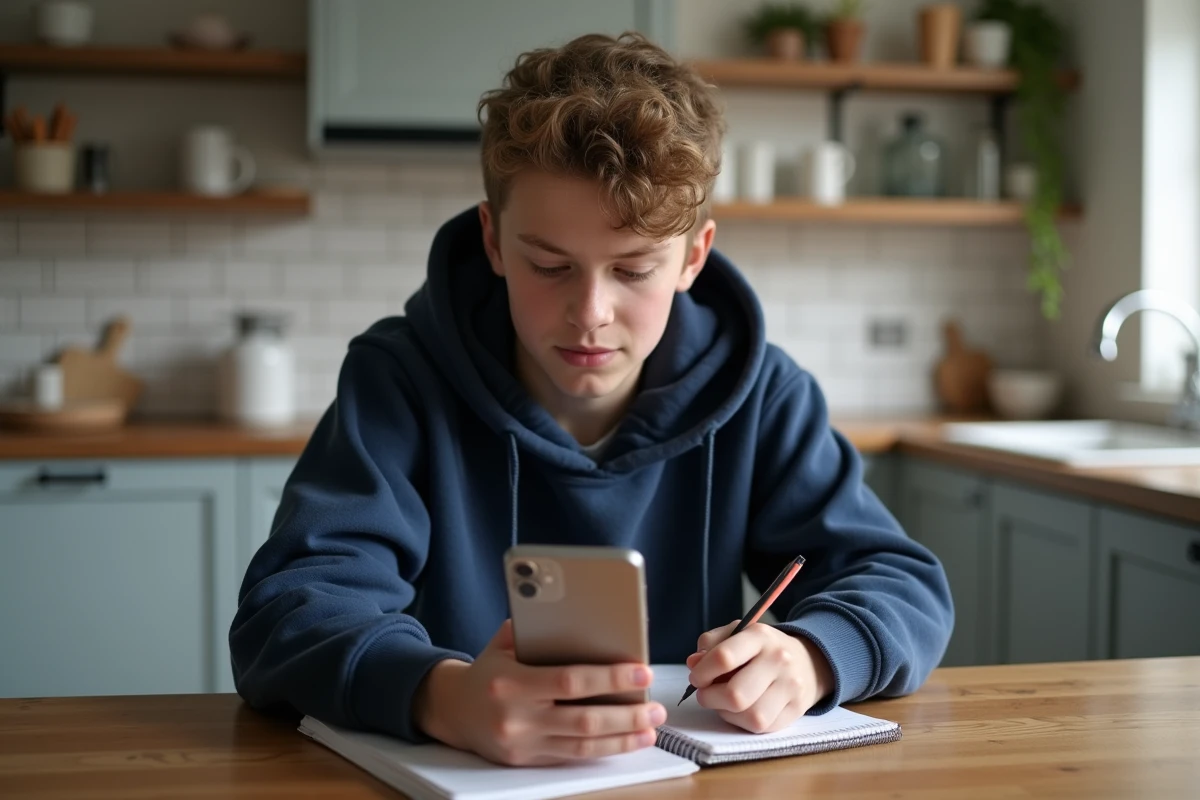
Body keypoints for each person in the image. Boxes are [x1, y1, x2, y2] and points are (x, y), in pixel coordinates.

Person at [229, 31, 953, 768]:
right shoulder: (399, 379)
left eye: (634, 270)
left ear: (693, 257)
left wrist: (811, 658)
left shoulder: (764, 394)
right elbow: (285, 613)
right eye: (550, 265)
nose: (590, 312)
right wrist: (440, 696)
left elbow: (902, 585)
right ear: (494, 242)